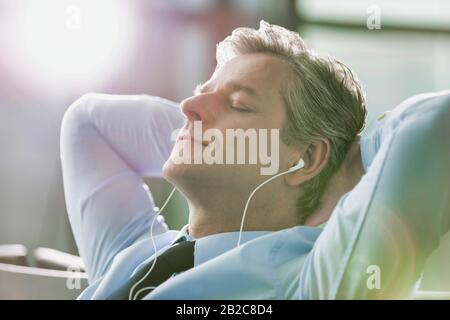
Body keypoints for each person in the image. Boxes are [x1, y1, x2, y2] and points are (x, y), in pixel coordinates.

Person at [60, 21, 450, 299]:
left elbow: (432, 123)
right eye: (202, 92)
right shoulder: (133, 254)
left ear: (308, 157)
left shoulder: (308, 282)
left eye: (239, 104)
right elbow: (90, 122)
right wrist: (209, 137)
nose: (189, 106)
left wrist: (346, 168)